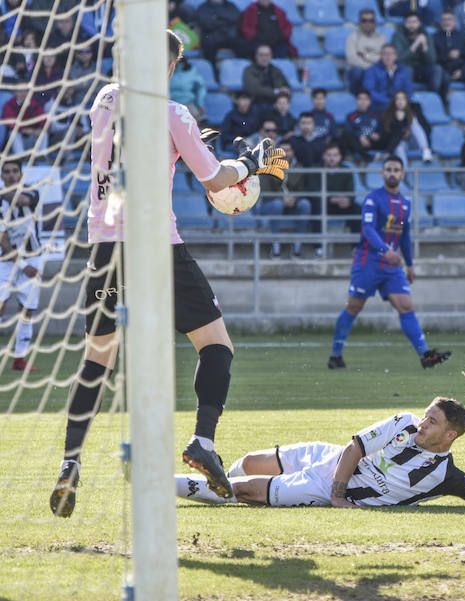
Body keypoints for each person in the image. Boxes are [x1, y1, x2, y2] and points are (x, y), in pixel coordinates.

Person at [49, 30, 290, 518]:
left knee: (98, 359)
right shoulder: (174, 113)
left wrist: (183, 149)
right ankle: (202, 441)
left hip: (105, 247)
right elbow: (218, 181)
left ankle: (70, 461)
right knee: (216, 344)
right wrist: (249, 164)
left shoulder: (103, 101)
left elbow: (142, 152)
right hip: (158, 246)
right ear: (171, 68)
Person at [175, 397, 465, 510]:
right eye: (425, 415)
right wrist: (339, 493)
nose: (422, 424)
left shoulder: (444, 475)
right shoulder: (403, 422)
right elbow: (354, 448)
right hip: (333, 461)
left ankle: (164, 484)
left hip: (322, 483)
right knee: (247, 460)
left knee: (243, 490)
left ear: (449, 436)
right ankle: (202, 478)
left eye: (432, 422)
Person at [327, 156, 450, 371]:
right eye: (388, 169)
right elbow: (368, 230)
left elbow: (405, 235)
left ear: (402, 175)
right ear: (382, 174)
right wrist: (386, 250)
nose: (392, 173)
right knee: (354, 307)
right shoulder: (373, 200)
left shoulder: (405, 203)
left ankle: (425, 355)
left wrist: (410, 264)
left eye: (396, 170)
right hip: (368, 261)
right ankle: (335, 356)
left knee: (406, 306)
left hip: (392, 265)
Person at [0, 159, 42, 372]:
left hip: (33, 257)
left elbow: (23, 202)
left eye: (15, 171)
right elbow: (3, 238)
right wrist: (22, 264)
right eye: (6, 172)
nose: (10, 175)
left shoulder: (32, 193)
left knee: (27, 310)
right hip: (6, 261)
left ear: (21, 174)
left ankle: (19, 359)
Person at [259, 138, 310, 258]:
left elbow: (303, 190)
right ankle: (275, 245)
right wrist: (283, 198)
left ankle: (298, 244)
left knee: (305, 205)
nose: (285, 153)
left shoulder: (300, 168)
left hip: (293, 203)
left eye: (288, 150)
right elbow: (265, 193)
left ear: (293, 152)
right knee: (277, 204)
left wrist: (295, 199)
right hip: (272, 204)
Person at [303, 143, 360, 240]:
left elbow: (351, 191)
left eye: (335, 155)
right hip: (322, 204)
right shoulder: (315, 169)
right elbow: (313, 192)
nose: (332, 158)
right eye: (329, 155)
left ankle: (356, 247)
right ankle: (318, 247)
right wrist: (331, 199)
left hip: (340, 205)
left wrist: (348, 200)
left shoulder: (346, 170)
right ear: (323, 156)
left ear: (340, 157)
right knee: (317, 207)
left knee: (357, 209)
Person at [392, 13, 444, 97]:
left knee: (437, 69)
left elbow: (432, 60)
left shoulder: (426, 35)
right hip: (407, 67)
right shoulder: (398, 36)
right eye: (409, 22)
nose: (411, 25)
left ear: (419, 23)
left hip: (422, 68)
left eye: (414, 22)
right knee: (406, 69)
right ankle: (408, 99)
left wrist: (424, 46)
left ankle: (431, 97)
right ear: (404, 23)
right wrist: (414, 46)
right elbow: (399, 59)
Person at [434, 11, 465, 93]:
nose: (446, 22)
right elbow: (433, 58)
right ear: (440, 22)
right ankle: (442, 105)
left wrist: (462, 71)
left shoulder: (462, 36)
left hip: (460, 70)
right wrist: (447, 55)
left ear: (455, 22)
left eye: (449, 20)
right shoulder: (435, 37)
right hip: (444, 70)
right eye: (444, 20)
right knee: (443, 79)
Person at [196, 0, 251, 66]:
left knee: (243, 45)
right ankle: (212, 70)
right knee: (208, 45)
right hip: (213, 36)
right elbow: (205, 23)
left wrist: (217, 18)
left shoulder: (230, 5)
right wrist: (225, 20)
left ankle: (243, 68)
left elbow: (236, 17)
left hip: (230, 36)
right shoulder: (204, 7)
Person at [345, 9, 387, 94]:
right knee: (357, 72)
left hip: (376, 69)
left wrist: (366, 56)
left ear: (375, 22)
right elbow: (352, 59)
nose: (368, 23)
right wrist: (370, 68)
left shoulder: (382, 38)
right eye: (364, 20)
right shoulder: (352, 37)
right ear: (360, 22)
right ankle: (357, 97)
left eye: (371, 21)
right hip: (361, 70)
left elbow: (385, 58)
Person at [363, 44, 413, 114]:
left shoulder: (402, 71)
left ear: (395, 56)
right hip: (379, 103)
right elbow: (369, 91)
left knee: (416, 107)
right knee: (388, 109)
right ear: (381, 56)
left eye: (391, 54)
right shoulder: (372, 70)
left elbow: (409, 90)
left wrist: (401, 101)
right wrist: (389, 102)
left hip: (399, 102)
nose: (388, 57)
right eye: (385, 54)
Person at [1, 85, 47, 156]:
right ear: (15, 92)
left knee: (43, 133)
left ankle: (42, 157)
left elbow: (44, 119)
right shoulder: (10, 104)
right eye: (20, 91)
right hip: (18, 140)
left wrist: (39, 129)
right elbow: (9, 121)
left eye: (25, 91)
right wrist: (23, 129)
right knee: (13, 132)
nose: (23, 93)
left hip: (32, 137)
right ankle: (20, 157)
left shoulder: (35, 103)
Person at [242, 44, 291, 109]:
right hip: (255, 105)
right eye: (261, 55)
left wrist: (286, 90)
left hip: (275, 106)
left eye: (267, 55)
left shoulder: (276, 70)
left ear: (271, 56)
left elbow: (285, 85)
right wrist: (276, 92)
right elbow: (254, 89)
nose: (264, 58)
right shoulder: (249, 70)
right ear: (256, 56)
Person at [341, 90, 381, 162]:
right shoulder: (351, 116)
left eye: (365, 99)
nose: (363, 102)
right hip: (357, 143)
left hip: (372, 143)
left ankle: (388, 154)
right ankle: (367, 157)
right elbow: (348, 131)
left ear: (370, 101)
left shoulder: (375, 116)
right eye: (360, 99)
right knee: (345, 135)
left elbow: (380, 132)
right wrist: (360, 136)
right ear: (356, 101)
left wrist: (377, 135)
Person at [220, 91, 260, 156]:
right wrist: (240, 140)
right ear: (237, 101)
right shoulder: (230, 116)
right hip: (234, 144)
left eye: (247, 99)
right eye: (243, 99)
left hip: (251, 142)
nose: (245, 102)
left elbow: (257, 132)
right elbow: (225, 136)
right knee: (245, 150)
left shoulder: (254, 114)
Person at [169, 57, 207, 122]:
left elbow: (200, 88)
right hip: (169, 105)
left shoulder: (191, 71)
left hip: (188, 105)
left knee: (193, 122)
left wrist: (200, 104)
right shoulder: (165, 71)